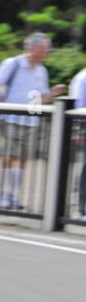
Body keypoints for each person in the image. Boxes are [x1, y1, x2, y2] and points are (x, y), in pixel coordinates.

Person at [0, 33, 66, 210]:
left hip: (30, 120)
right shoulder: (13, 63)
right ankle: (3, 195)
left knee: (21, 159)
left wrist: (52, 94)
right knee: (8, 156)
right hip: (10, 118)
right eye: (45, 47)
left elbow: (38, 100)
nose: (48, 51)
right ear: (33, 47)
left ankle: (12, 195)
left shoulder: (41, 70)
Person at [70, 64, 86, 219]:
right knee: (84, 169)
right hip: (84, 127)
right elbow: (77, 106)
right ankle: (80, 208)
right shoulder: (83, 78)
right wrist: (76, 130)